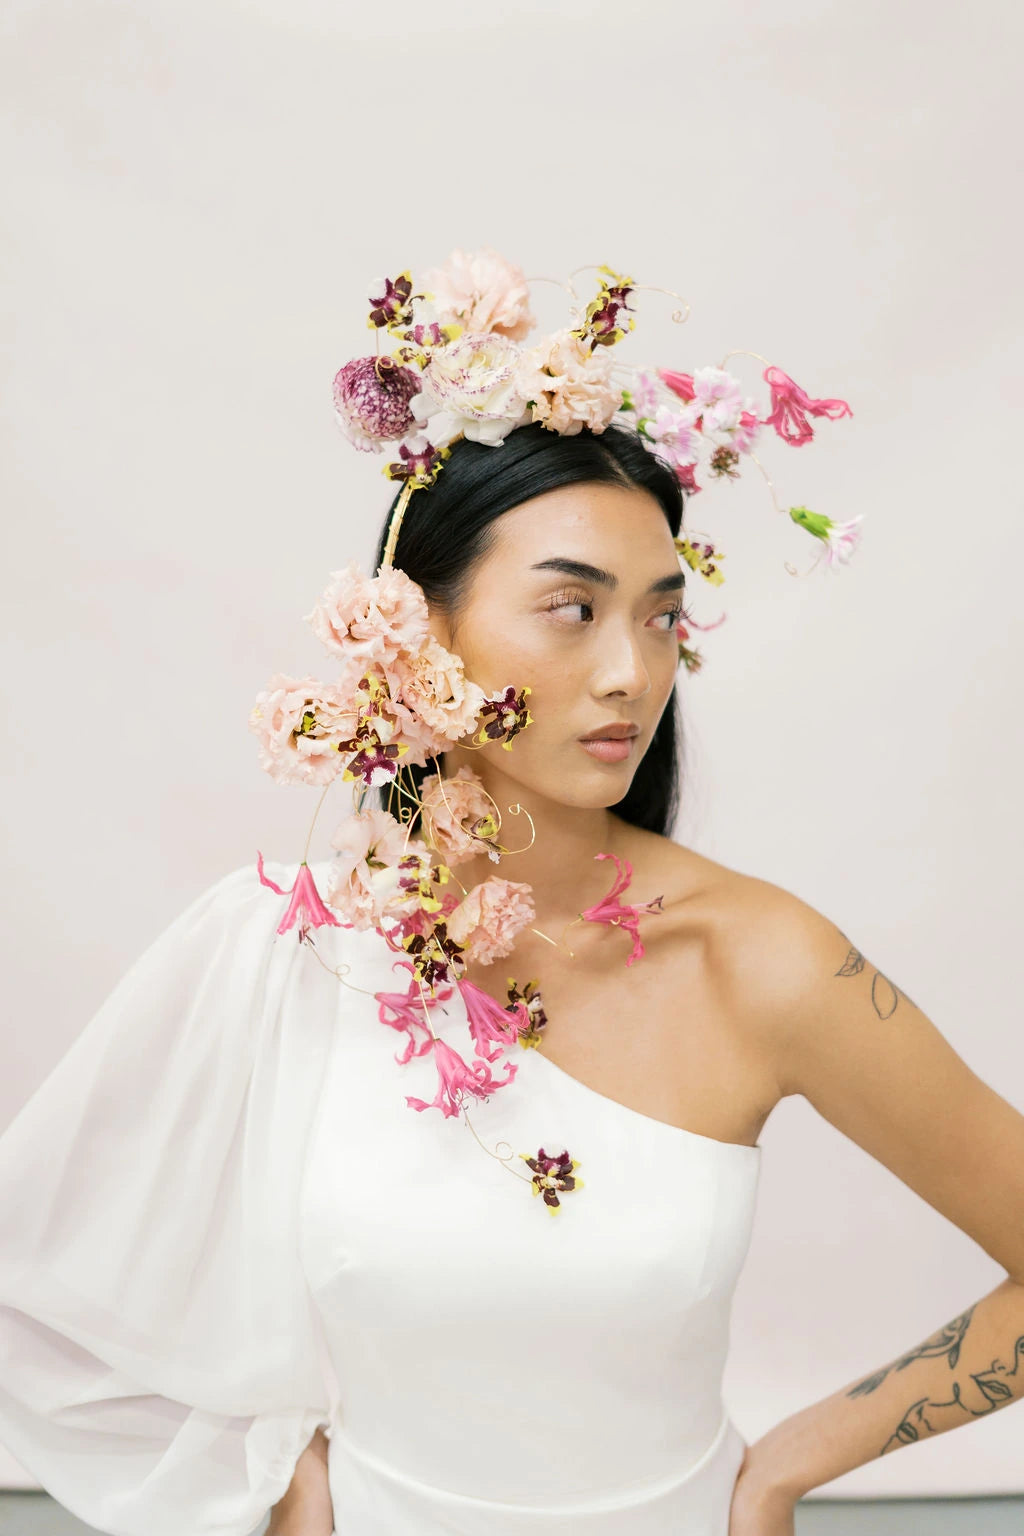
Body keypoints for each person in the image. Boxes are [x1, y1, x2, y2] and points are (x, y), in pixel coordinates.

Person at [3, 252, 1023, 1536]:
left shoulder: (760, 958)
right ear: (416, 631)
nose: (631, 673)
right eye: (570, 610)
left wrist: (786, 1465)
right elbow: (40, 1290)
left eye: (659, 617)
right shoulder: (293, 946)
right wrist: (281, 1484)